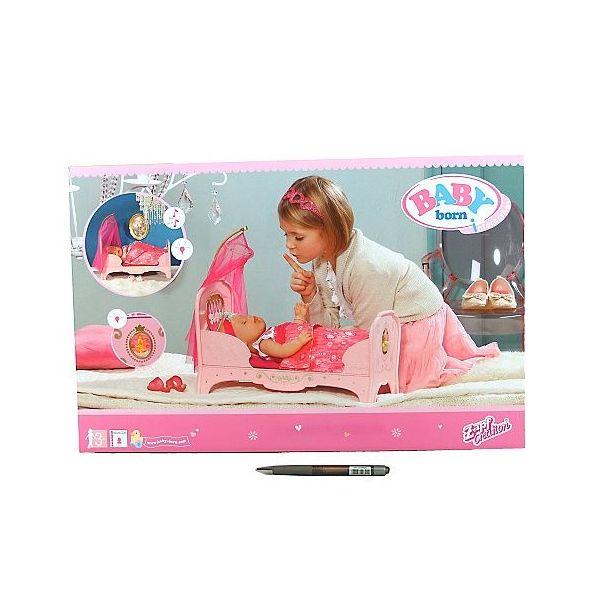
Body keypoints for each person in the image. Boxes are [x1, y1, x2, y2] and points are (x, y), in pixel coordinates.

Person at [278, 175, 500, 392]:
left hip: (414, 324)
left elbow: (370, 336)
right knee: (321, 347)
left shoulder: (365, 267)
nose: (289, 244)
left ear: (330, 231)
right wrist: (312, 295)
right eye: (285, 234)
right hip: (381, 326)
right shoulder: (322, 262)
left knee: (351, 366)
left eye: (298, 237)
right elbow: (328, 327)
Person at [219, 302, 368, 372]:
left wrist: (299, 318)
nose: (250, 317)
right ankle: (364, 349)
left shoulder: (268, 334)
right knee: (338, 344)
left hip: (313, 339)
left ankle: (364, 344)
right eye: (244, 322)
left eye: (245, 316)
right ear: (243, 343)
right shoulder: (263, 344)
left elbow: (290, 334)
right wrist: (299, 341)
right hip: (313, 348)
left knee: (338, 338)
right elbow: (283, 351)